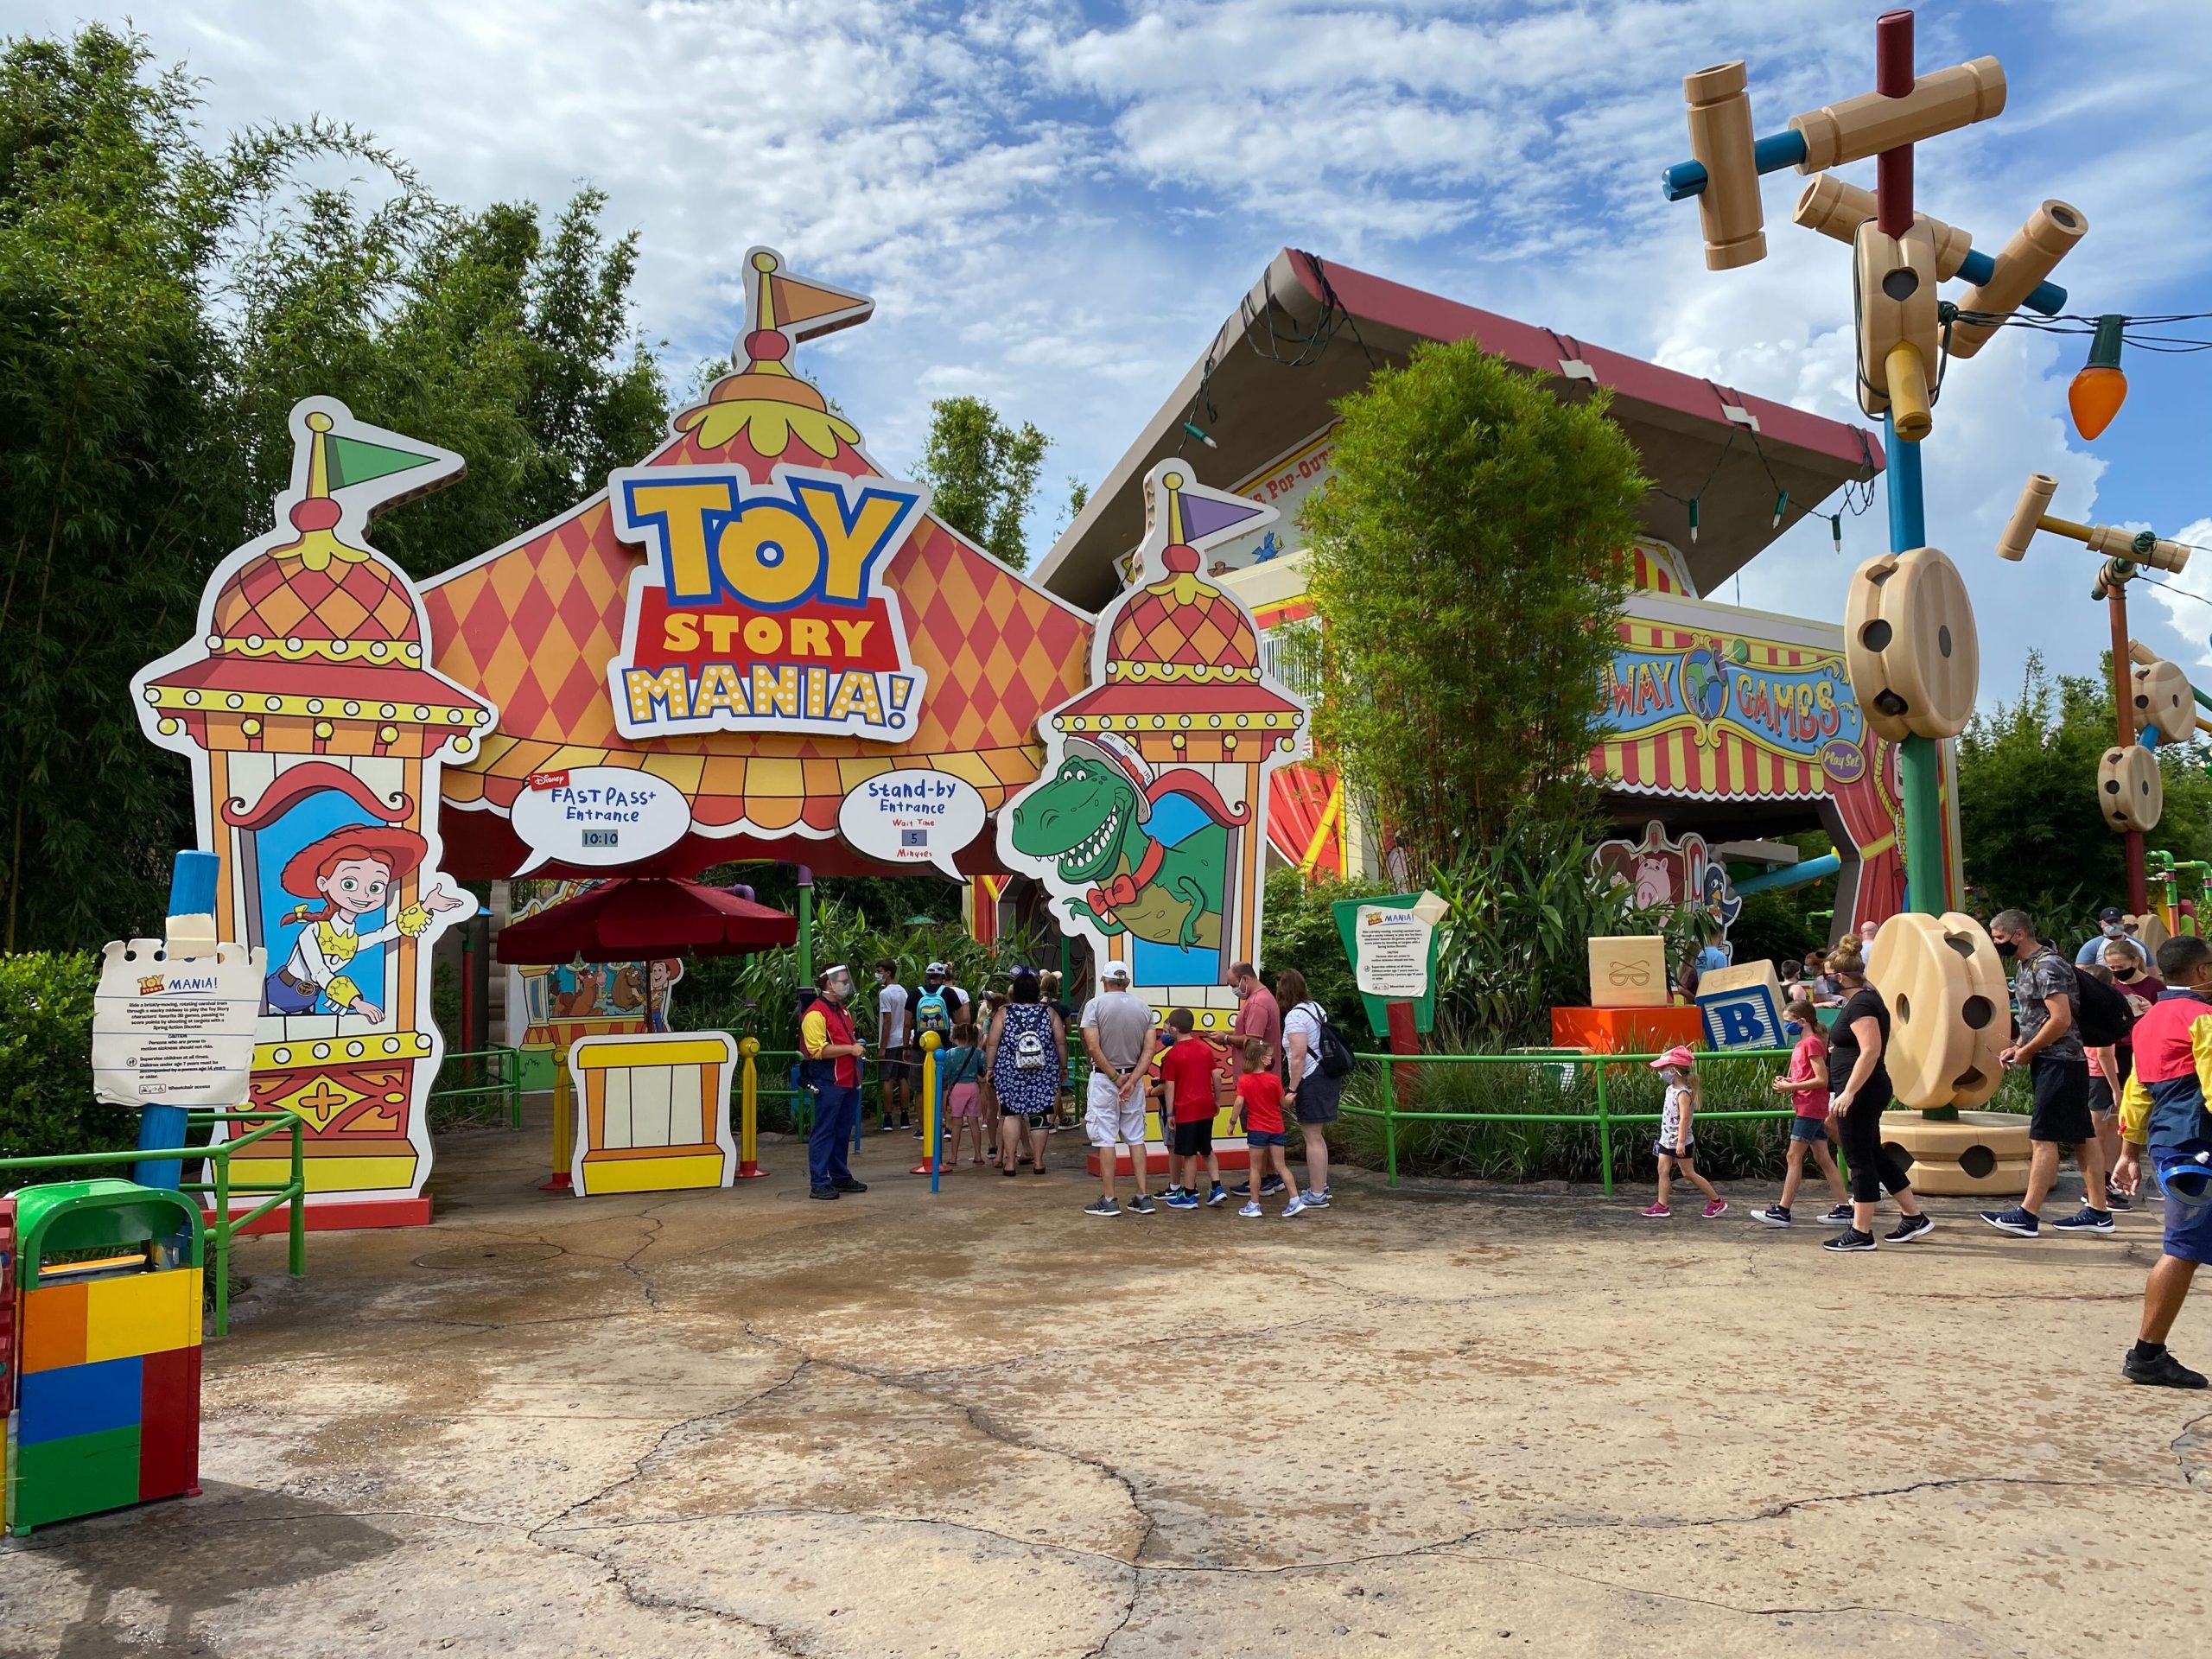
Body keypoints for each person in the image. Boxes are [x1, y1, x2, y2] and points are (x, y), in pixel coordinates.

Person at [2115, 933, 2212, 1388]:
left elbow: (2137, 1089)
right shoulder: (2202, 1019)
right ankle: (2147, 1354)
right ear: (2203, 972)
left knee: (2185, 1245)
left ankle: (2149, 1353)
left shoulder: (2149, 1022)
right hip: (2198, 1143)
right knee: (2183, 1247)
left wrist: (2129, 1151)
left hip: (2169, 1144)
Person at [1981, 910, 2114, 1239]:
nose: (1996, 944)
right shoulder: (2027, 966)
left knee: (2043, 1137)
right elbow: (2036, 1017)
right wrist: (2020, 1045)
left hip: (2061, 1060)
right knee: (2082, 1136)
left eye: (1998, 938)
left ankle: (2027, 1214)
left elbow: (2060, 1019)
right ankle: (2098, 1211)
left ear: (2018, 935)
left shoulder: (2047, 965)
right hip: (2053, 1059)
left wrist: (2028, 1050)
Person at [1820, 945, 1933, 1251]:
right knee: (1873, 1153)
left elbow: (1870, 1050)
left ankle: (1861, 1231)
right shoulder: (1859, 1001)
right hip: (1861, 1088)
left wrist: (1849, 1091)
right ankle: (1913, 1215)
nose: (1826, 980)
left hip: (1862, 1090)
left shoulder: (1863, 1004)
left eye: (1828, 976)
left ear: (1841, 976)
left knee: (1860, 1159)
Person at [1753, 998, 1851, 1227]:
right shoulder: (1807, 1043)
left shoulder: (1812, 1043)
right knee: (1823, 1158)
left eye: (1789, 1021)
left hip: (1810, 1107)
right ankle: (1844, 1206)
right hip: (1810, 1105)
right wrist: (1790, 1081)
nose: (1787, 1025)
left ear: (1802, 1021)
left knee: (1793, 1156)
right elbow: (1809, 1077)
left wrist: (1790, 1086)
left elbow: (1821, 1079)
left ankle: (1783, 1210)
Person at [1081, 962, 1158, 1217]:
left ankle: (1110, 1198)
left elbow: (1093, 1047)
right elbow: (1149, 1050)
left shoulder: (1095, 1006)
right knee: (1136, 1137)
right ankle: (1142, 1196)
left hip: (1106, 1079)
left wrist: (1115, 1078)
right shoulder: (1143, 1008)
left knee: (1105, 1137)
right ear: (1126, 982)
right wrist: (1132, 1080)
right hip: (1132, 1081)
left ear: (1105, 980)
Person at [800, 964, 868, 1201]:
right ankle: (819, 1181)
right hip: (830, 1080)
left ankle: (839, 1175)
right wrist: (850, 1049)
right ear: (829, 984)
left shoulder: (842, 1010)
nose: (845, 984)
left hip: (848, 1079)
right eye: (842, 980)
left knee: (841, 1131)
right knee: (824, 1131)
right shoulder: (815, 1013)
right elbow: (817, 1050)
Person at [986, 972, 1062, 1177]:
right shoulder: (1049, 1012)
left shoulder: (1004, 1012)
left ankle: (1010, 1163)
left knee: (1011, 1114)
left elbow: (992, 1042)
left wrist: (990, 1068)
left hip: (1010, 1071)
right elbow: (1060, 1041)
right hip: (1043, 1071)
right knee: (1039, 1115)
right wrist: (1062, 1067)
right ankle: (1038, 1162)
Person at [1639, 1046, 1726, 1219]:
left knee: (1688, 1173)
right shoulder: (1671, 1089)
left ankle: (1716, 1201)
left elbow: (1684, 1119)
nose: (1661, 1072)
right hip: (1666, 1139)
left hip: (1681, 1141)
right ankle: (1662, 1204)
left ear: (1673, 1070)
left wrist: (1680, 1141)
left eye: (1663, 1068)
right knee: (1662, 1170)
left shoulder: (1683, 1093)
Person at [1277, 968, 1338, 1210]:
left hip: (1311, 1078)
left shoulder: (1294, 1017)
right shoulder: (1316, 1008)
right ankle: (1319, 1187)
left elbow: (1298, 1054)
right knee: (1317, 1136)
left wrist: (1292, 1088)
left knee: (1311, 1136)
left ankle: (1316, 1194)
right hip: (1325, 1075)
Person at [1158, 1009, 1227, 1209]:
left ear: (1174, 1029)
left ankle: (1188, 1194)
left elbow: (1169, 1087)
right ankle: (1216, 1187)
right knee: (1206, 1149)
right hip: (1206, 1105)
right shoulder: (1205, 1049)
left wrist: (1170, 1112)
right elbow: (1217, 1077)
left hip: (1186, 1109)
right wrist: (1217, 1100)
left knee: (1188, 1154)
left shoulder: (1173, 1055)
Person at [1231, 1038, 1306, 1218]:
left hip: (1256, 1129)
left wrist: (1232, 1122)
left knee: (1255, 1168)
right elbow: (1283, 1104)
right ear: (1263, 1059)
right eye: (1270, 1056)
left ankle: (1254, 1204)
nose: (1272, 1059)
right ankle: (1295, 1199)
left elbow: (1239, 1103)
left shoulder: (1244, 1080)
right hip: (1276, 1127)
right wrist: (1291, 1096)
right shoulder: (1273, 1080)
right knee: (1281, 1166)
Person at [939, 1021, 988, 1168]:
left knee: (957, 1123)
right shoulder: (977, 1053)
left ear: (955, 1037)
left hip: (957, 1089)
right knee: (974, 1122)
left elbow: (945, 1073)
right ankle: (978, 1155)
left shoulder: (950, 1054)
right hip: (973, 1087)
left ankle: (953, 1157)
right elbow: (982, 1071)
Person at [874, 959, 912, 1133]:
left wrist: (882, 1047)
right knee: (903, 1078)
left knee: (887, 1079)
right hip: (903, 1039)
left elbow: (887, 1020)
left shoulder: (885, 994)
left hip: (890, 1042)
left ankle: (888, 1117)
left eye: (880, 971)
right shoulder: (903, 992)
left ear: (888, 972)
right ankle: (905, 1116)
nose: (878, 974)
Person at [2077, 907, 2142, 969]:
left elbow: (2149, 969)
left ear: (2123, 922)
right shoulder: (2092, 946)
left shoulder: (2138, 945)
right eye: (2109, 922)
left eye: (2116, 921)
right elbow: (2080, 971)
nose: (2114, 925)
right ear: (2101, 924)